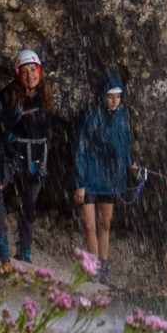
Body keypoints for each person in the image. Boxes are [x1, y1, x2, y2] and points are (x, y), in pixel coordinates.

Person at [0, 48, 52, 264]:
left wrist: (41, 159)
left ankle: (25, 250)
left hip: (36, 155)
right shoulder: (8, 96)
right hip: (12, 153)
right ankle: (1, 245)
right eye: (25, 71)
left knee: (29, 203)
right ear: (17, 74)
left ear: (39, 71)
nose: (30, 76)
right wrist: (2, 156)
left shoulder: (45, 94)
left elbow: (46, 130)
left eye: (33, 70)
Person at [73, 71, 132, 269]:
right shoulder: (91, 116)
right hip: (90, 174)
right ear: (103, 96)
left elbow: (124, 145)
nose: (114, 101)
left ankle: (104, 267)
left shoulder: (122, 118)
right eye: (110, 96)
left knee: (105, 223)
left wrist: (129, 162)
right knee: (89, 225)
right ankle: (93, 266)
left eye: (118, 97)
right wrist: (80, 182)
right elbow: (81, 148)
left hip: (109, 177)